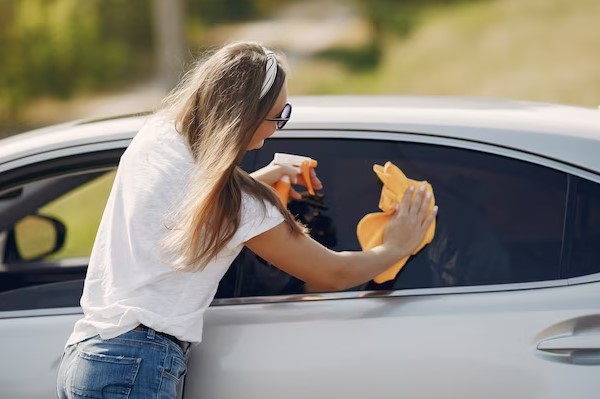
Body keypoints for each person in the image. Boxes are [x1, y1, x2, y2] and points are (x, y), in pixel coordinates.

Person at [56, 41, 437, 399]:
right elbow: (330, 273)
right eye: (278, 116)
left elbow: (185, 206)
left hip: (90, 355)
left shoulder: (158, 137)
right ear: (245, 116)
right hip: (137, 363)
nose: (277, 129)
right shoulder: (242, 205)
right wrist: (395, 246)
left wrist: (258, 179)